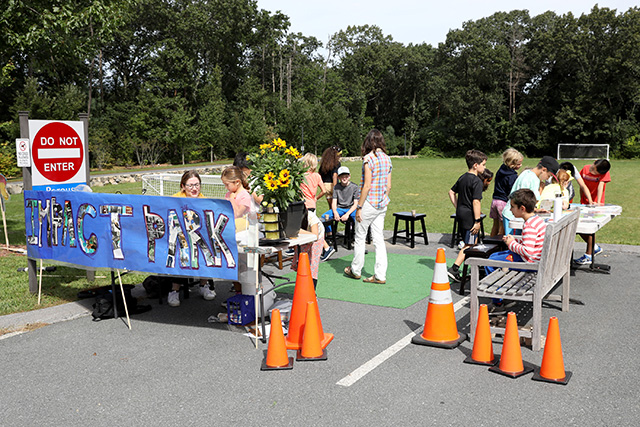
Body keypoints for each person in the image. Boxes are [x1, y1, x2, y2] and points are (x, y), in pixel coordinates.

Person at [344, 129, 392, 284]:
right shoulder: (387, 159)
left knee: (360, 237)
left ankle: (356, 269)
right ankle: (380, 275)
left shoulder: (368, 159)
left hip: (369, 203)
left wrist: (359, 207)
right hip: (382, 204)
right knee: (379, 239)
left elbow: (366, 186)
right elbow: (389, 186)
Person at [167, 171, 216, 307]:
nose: (194, 188)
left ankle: (203, 285)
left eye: (197, 185)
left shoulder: (205, 201)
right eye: (190, 185)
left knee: (208, 250)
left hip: (198, 238)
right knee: (179, 252)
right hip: (180, 238)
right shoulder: (174, 199)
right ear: (183, 186)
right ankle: (174, 290)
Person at [446, 149, 487, 282]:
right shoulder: (477, 181)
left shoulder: (462, 177)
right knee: (469, 245)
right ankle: (454, 268)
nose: (484, 167)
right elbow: (476, 202)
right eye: (484, 164)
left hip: (461, 213)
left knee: (470, 243)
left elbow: (451, 192)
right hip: (470, 216)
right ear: (476, 165)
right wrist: (477, 220)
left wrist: (458, 206)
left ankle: (469, 270)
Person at [485, 188, 547, 274]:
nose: (510, 210)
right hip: (534, 259)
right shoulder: (537, 220)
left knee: (490, 262)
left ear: (522, 208)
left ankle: (496, 286)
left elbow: (528, 251)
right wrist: (515, 240)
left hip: (529, 262)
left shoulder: (529, 225)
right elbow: (531, 242)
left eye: (512, 207)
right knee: (493, 256)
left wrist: (511, 243)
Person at [502, 156, 559, 235]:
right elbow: (532, 200)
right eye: (548, 176)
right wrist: (541, 189)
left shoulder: (527, 172)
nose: (546, 179)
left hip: (513, 212)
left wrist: (535, 210)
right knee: (514, 241)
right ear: (543, 170)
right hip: (514, 216)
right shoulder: (534, 179)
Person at [574, 159, 612, 265]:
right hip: (585, 202)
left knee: (589, 228)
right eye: (593, 169)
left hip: (595, 203)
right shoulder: (585, 169)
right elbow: (582, 185)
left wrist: (598, 202)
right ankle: (594, 248)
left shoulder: (604, 172)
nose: (593, 172)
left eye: (596, 173)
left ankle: (588, 255)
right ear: (594, 162)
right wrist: (583, 200)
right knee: (578, 227)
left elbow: (601, 186)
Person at [318, 166, 360, 262]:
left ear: (349, 176)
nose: (344, 178)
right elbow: (334, 202)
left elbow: (355, 204)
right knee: (324, 217)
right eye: (342, 176)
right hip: (340, 208)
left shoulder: (354, 187)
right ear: (339, 178)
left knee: (358, 219)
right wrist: (336, 212)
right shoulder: (336, 187)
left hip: (350, 209)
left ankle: (358, 241)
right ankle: (329, 236)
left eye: (346, 176)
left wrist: (347, 214)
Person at [490, 148, 523, 236]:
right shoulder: (512, 176)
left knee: (495, 226)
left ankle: (490, 246)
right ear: (512, 163)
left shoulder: (500, 170)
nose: (521, 165)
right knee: (503, 229)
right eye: (519, 164)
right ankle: (500, 246)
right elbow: (512, 191)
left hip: (495, 201)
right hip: (503, 203)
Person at [291, 207, 325, 289]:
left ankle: (312, 291)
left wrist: (297, 231)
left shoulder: (311, 217)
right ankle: (302, 286)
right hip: (303, 237)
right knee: (299, 261)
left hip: (316, 239)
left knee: (312, 264)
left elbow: (315, 236)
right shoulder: (292, 217)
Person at [319, 146, 342, 211]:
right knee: (335, 207)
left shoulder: (324, 163)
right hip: (333, 185)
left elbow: (319, 174)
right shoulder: (336, 163)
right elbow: (334, 176)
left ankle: (331, 220)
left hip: (325, 186)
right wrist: (335, 189)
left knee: (331, 207)